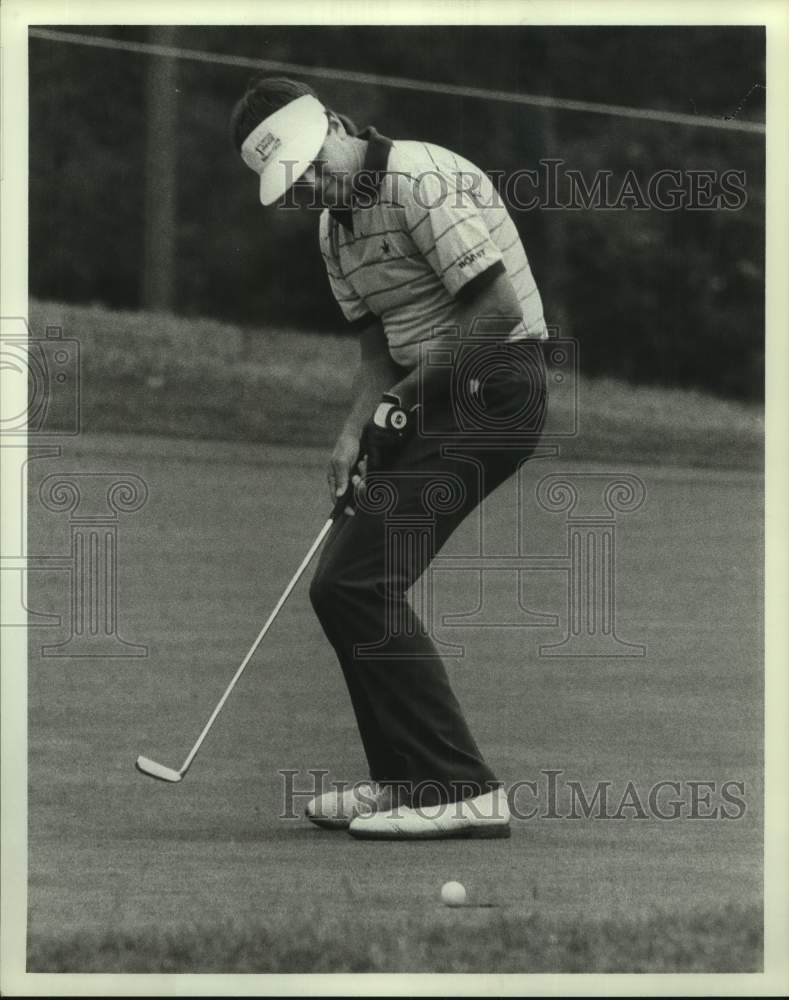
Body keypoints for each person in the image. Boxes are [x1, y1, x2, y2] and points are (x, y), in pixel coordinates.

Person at [231, 76, 549, 840]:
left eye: (312, 163)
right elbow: (377, 348)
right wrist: (353, 432)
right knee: (342, 587)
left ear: (336, 124)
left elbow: (497, 312)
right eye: (292, 183)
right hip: (427, 396)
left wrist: (402, 402)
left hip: (493, 390)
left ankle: (459, 791)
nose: (308, 186)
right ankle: (408, 780)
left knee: (360, 579)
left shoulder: (418, 177)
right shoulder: (333, 229)